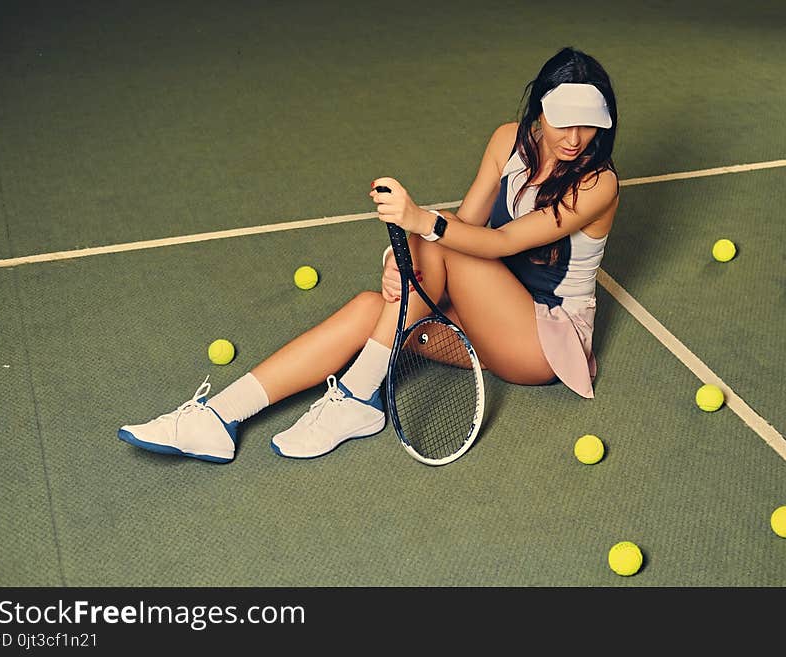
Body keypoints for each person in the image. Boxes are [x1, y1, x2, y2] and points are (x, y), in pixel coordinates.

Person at [118, 46, 619, 464]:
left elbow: (497, 242)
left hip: (543, 342)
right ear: (541, 111)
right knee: (368, 308)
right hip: (483, 320)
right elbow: (463, 225)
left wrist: (419, 225)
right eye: (564, 122)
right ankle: (221, 416)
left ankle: (357, 396)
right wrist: (400, 257)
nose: (575, 139)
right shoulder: (507, 141)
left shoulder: (599, 184)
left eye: (589, 125)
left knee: (447, 240)